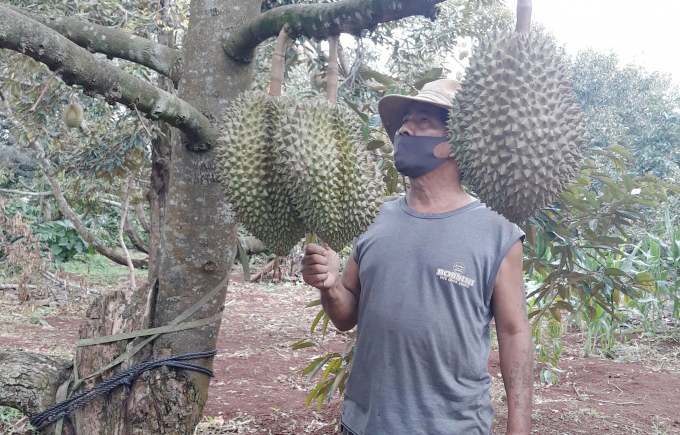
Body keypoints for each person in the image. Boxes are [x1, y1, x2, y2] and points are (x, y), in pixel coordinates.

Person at [301, 79, 532, 435]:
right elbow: (346, 317)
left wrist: (519, 430)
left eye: (423, 121)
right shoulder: (372, 220)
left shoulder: (497, 232)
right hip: (364, 424)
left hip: (454, 427)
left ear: (457, 144)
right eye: (405, 121)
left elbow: (514, 332)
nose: (405, 129)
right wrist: (330, 287)